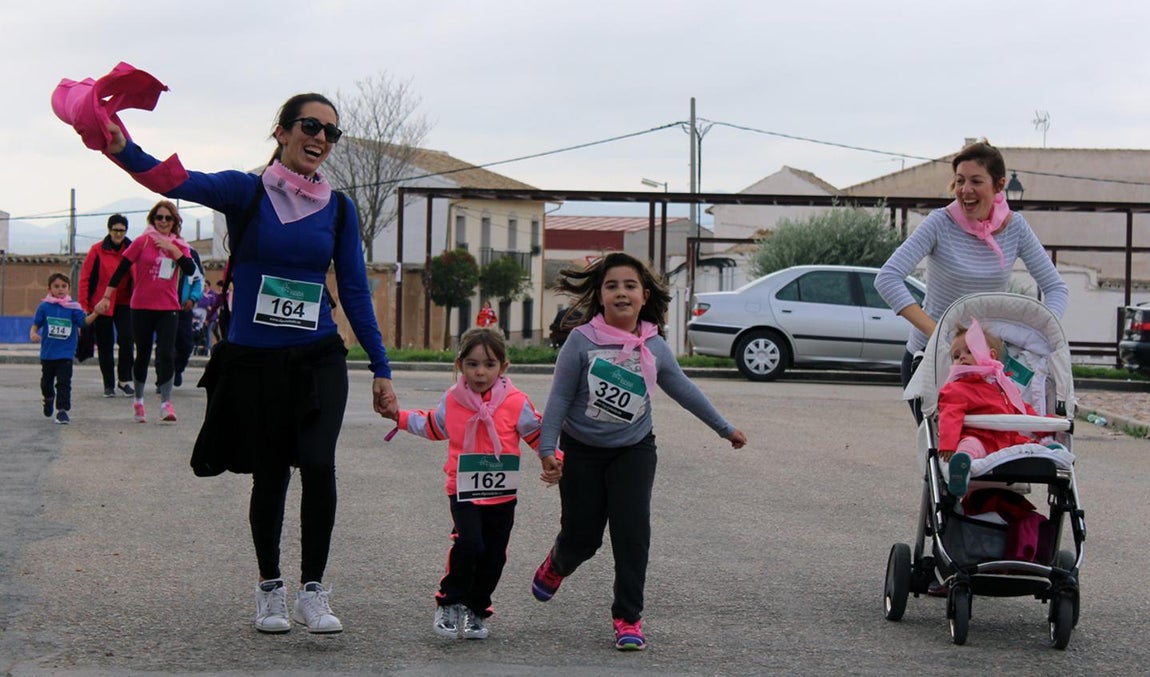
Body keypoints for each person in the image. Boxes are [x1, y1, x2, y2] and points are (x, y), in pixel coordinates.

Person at [92, 91, 397, 635]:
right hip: (256, 360)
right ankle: (270, 588)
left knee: (319, 464)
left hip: (318, 355)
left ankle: (313, 591)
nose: (321, 139)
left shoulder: (340, 209)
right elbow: (175, 180)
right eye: (310, 126)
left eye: (331, 132)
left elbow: (353, 290)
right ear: (282, 131)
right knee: (272, 473)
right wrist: (123, 149)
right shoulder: (246, 190)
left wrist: (381, 367)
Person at [529, 251, 748, 651]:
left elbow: (684, 389)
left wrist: (724, 428)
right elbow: (559, 398)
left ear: (644, 296)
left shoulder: (654, 346)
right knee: (583, 537)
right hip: (582, 449)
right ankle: (558, 563)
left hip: (633, 449)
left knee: (632, 533)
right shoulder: (581, 341)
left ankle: (628, 617)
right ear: (600, 295)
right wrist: (548, 449)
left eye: (630, 286)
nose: (621, 292)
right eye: (612, 285)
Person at [384, 327, 561, 640]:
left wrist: (553, 458)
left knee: (495, 555)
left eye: (489, 365)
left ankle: (477, 608)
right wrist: (398, 417)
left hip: (501, 493)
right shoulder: (453, 400)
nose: (481, 372)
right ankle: (449, 602)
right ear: (459, 365)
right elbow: (433, 426)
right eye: (473, 364)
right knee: (470, 544)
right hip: (463, 489)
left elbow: (536, 433)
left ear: (503, 367)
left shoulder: (516, 402)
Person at [875, 139, 1069, 422]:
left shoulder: (1015, 227)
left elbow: (1056, 288)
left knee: (992, 442)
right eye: (959, 181)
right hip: (931, 359)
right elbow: (887, 278)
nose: (965, 190)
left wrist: (1042, 331)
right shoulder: (939, 223)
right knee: (943, 444)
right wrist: (939, 334)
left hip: (989, 367)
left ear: (999, 185)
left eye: (976, 181)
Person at [95, 201, 196, 423]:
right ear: (153, 219)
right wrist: (107, 296)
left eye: (168, 218)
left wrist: (173, 249)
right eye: (159, 217)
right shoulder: (143, 241)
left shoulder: (180, 245)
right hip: (141, 307)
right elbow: (121, 269)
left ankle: (166, 403)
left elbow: (190, 269)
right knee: (142, 354)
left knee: (167, 354)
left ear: (174, 222)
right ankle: (139, 401)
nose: (163, 221)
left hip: (168, 307)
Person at [937, 320, 1041, 498]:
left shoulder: (1004, 386)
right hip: (980, 438)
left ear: (991, 355)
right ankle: (960, 466)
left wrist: (1046, 426)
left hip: (1007, 440)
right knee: (969, 445)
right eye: (956, 356)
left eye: (969, 351)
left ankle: (1050, 450)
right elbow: (949, 416)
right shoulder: (956, 388)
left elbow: (1023, 410)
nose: (962, 357)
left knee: (1029, 446)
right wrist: (948, 444)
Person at [30, 273, 99, 424]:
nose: (60, 289)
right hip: (48, 354)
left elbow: (83, 322)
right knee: (46, 383)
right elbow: (36, 324)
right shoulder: (44, 307)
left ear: (69, 288)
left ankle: (62, 411)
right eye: (56, 286)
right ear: (49, 289)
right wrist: (33, 333)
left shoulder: (73, 308)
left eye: (63, 286)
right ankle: (48, 398)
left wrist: (96, 313)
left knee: (64, 383)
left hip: (65, 354)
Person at [79, 213, 135, 397]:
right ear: (109, 230)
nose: (118, 233)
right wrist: (83, 306)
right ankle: (108, 384)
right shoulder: (96, 250)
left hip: (125, 302)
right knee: (105, 344)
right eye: (115, 230)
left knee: (127, 339)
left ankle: (124, 380)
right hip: (101, 304)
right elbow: (85, 278)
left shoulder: (133, 249)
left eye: (122, 230)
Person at [164, 246, 204, 388]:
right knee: (165, 345)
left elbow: (199, 280)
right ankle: (163, 378)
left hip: (184, 307)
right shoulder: (162, 250)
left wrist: (193, 298)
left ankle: (178, 368)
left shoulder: (191, 253)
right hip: (165, 307)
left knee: (186, 345)